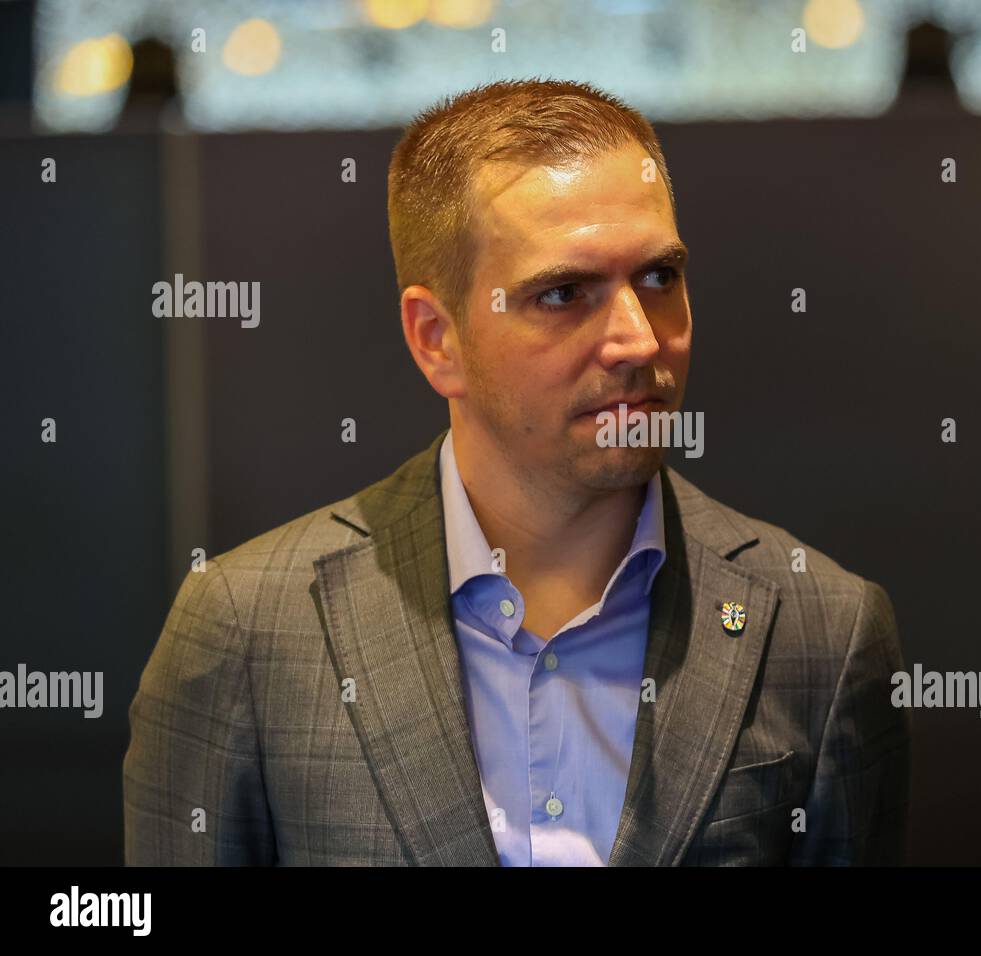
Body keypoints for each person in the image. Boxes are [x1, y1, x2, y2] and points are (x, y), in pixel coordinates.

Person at [124, 78, 909, 866]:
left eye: (659, 278)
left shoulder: (824, 633)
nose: (639, 340)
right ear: (437, 338)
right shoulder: (250, 631)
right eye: (564, 294)